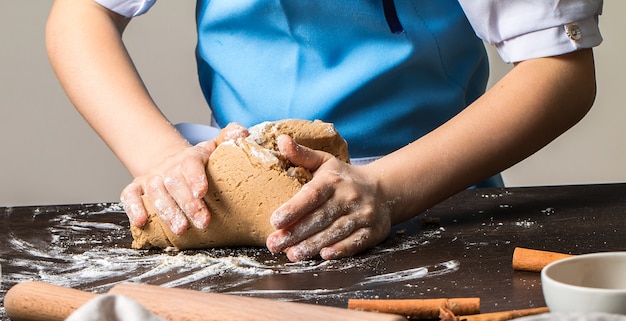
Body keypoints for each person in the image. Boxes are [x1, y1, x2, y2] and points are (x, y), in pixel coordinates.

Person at [46, 0, 602, 262]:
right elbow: (81, 15)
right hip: (243, 208)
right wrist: (159, 156)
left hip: (435, 203)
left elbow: (558, 70)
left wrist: (387, 188)